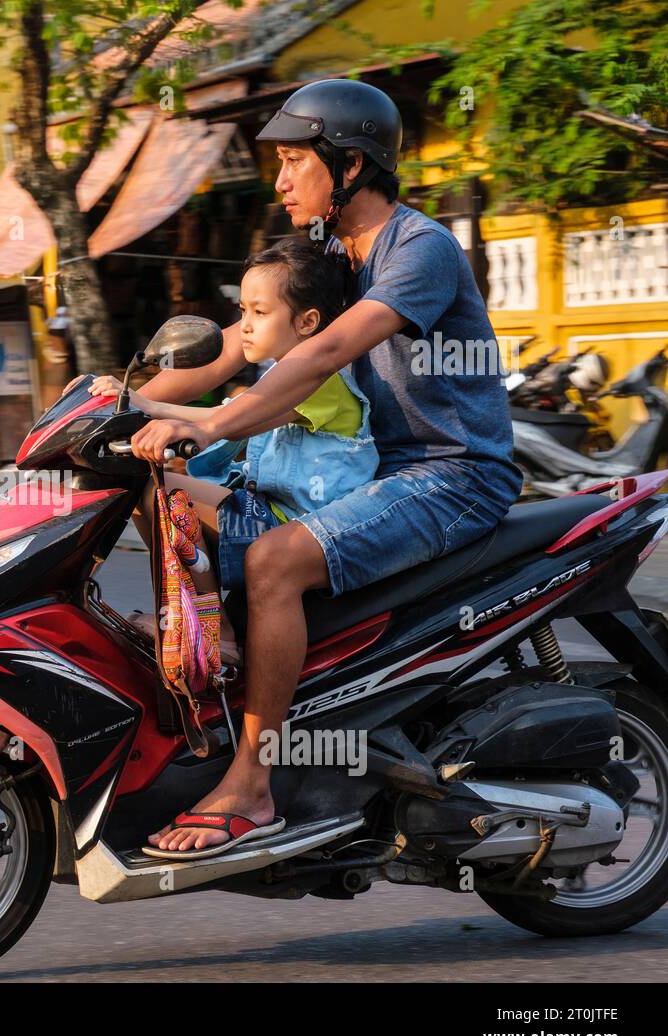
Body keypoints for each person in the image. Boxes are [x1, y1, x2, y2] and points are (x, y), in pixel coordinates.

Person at [100, 78, 522, 859]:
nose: (282, 180)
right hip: (380, 472)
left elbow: (327, 349)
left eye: (296, 162)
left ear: (352, 167)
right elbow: (234, 343)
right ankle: (212, 649)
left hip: (451, 475)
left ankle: (253, 786)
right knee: (153, 491)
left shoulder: (417, 247)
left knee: (273, 559)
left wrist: (221, 420)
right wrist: (113, 402)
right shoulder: (328, 252)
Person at [120, 242, 379, 620]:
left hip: (295, 529)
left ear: (307, 322)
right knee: (151, 492)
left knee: (162, 492)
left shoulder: (321, 382)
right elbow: (230, 419)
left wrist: (143, 404)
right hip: (266, 511)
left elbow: (230, 419)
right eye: (243, 310)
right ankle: (184, 614)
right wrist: (134, 405)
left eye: (260, 312)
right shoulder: (277, 376)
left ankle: (211, 630)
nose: (244, 326)